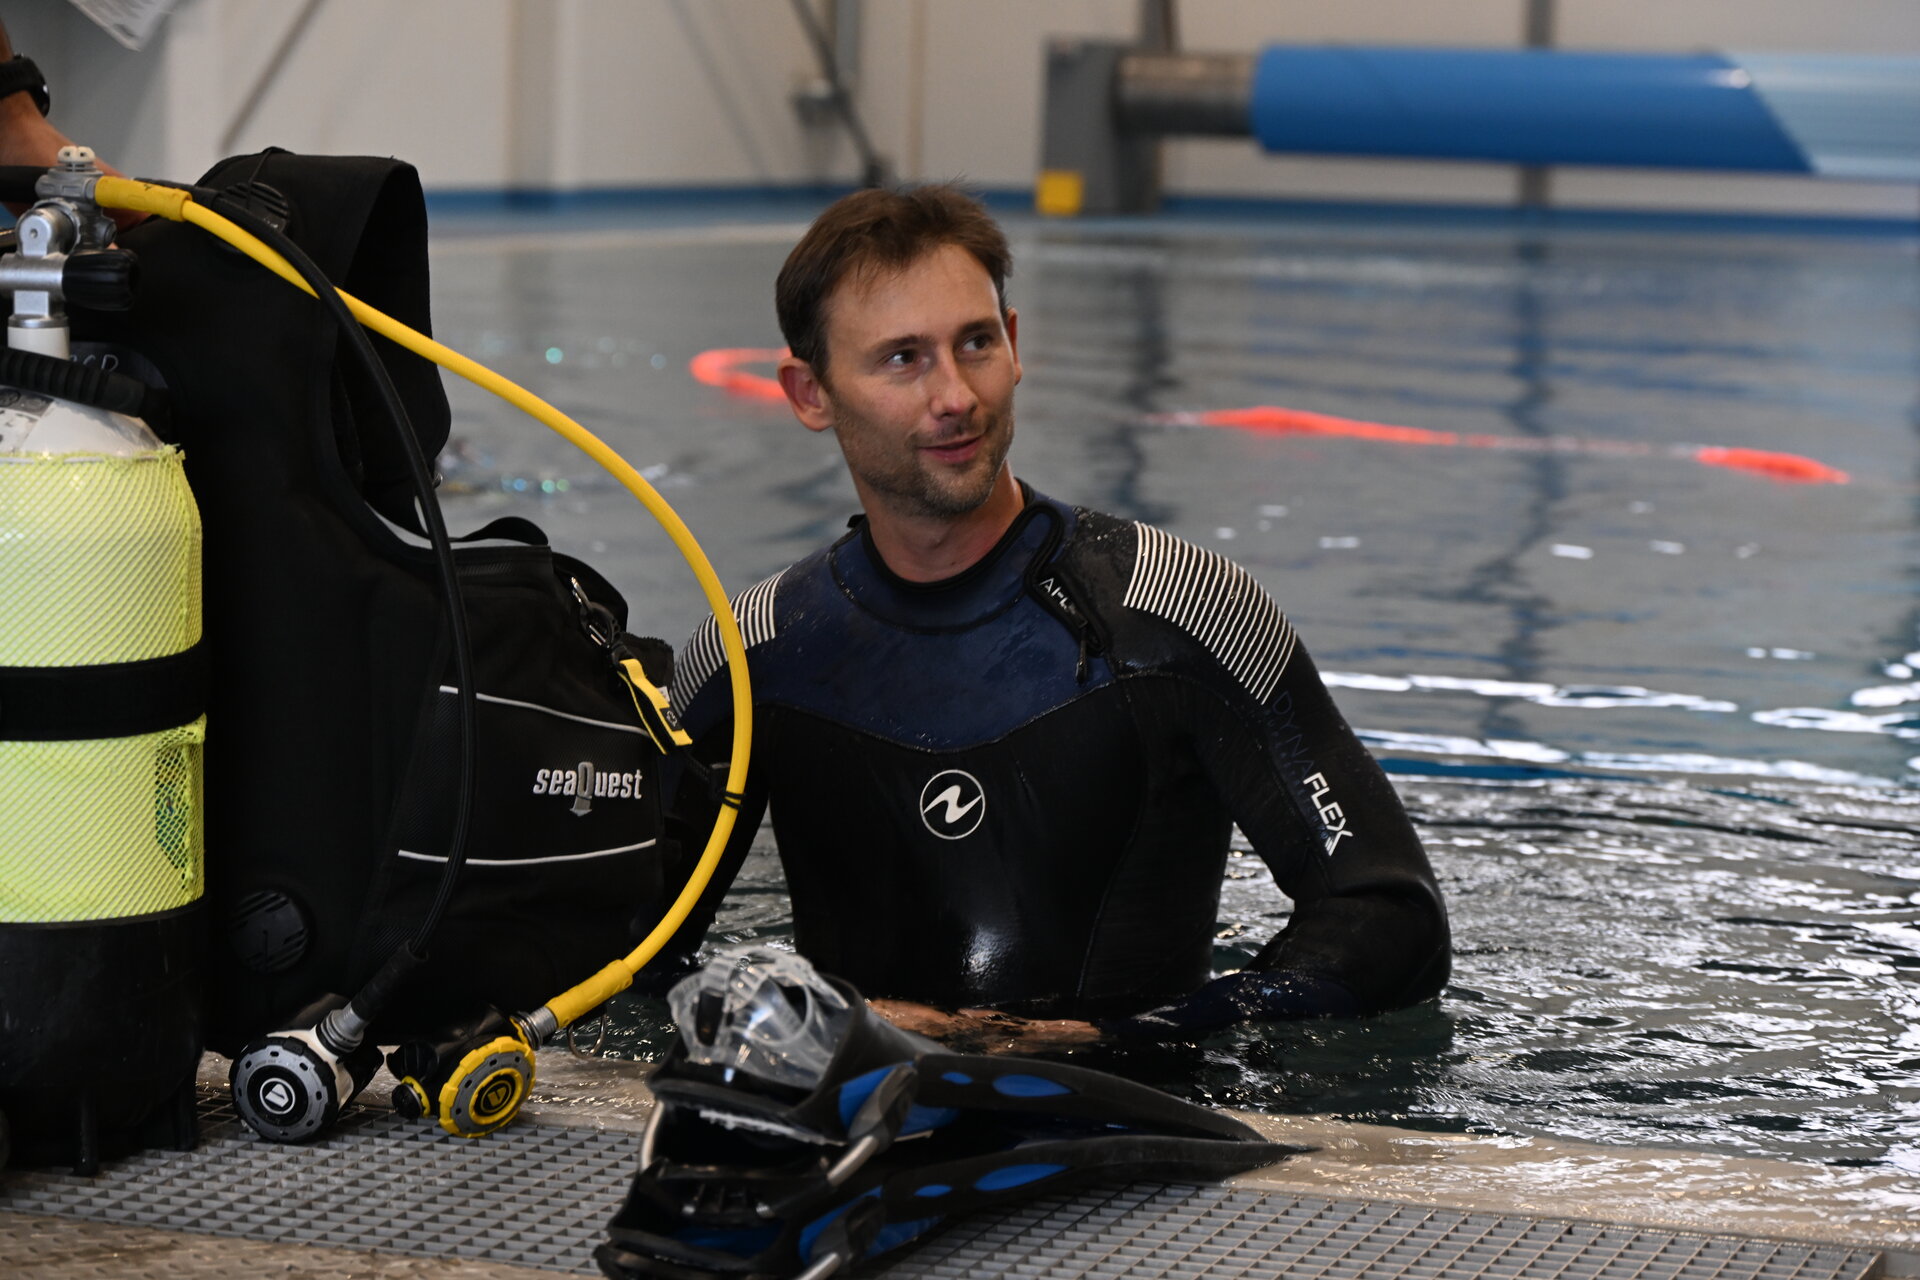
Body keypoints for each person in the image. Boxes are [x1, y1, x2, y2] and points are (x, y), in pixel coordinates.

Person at [666, 184, 1448, 1049]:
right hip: (849, 1104)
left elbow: (1390, 916)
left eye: (976, 343)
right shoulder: (758, 651)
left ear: (1014, 344)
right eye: (903, 359)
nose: (955, 395)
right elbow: (622, 954)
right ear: (809, 393)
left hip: (1125, 1097)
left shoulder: (1177, 610)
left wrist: (1128, 1035)